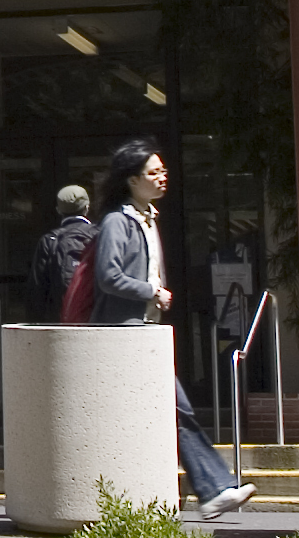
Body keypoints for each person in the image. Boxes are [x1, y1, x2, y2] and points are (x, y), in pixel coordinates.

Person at [80, 141, 252, 517]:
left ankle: (210, 490)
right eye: (153, 172)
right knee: (175, 409)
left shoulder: (147, 217)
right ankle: (213, 488)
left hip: (142, 333)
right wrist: (151, 291)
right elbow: (108, 276)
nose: (162, 178)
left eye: (163, 171)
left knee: (169, 411)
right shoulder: (117, 221)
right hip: (123, 334)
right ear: (131, 180)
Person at [33, 182, 97, 325]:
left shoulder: (49, 240)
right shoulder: (99, 236)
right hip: (95, 319)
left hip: (60, 319)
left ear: (58, 210)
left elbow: (38, 289)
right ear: (87, 207)